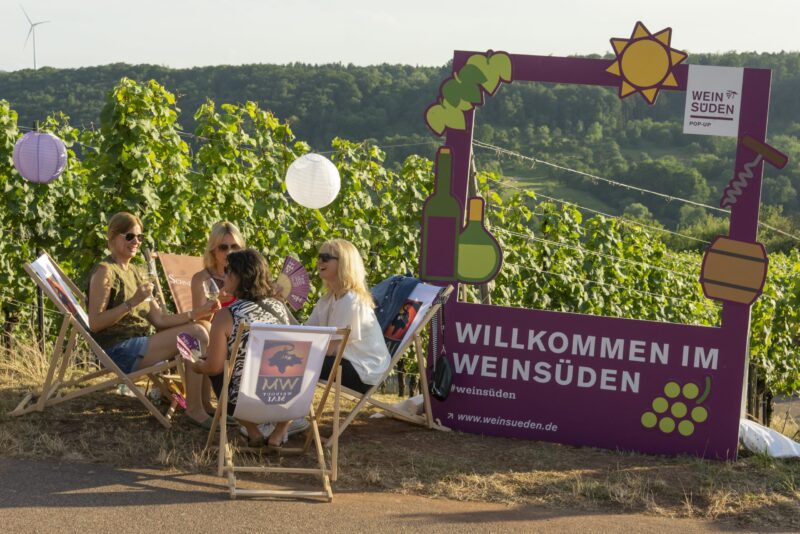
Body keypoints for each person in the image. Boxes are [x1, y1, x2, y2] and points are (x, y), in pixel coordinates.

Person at [87, 212, 220, 427]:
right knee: (194, 334)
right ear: (112, 236)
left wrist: (199, 313)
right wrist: (132, 302)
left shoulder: (137, 273)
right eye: (130, 236)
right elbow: (95, 323)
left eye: (140, 237)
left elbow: (159, 320)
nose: (136, 242)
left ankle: (205, 404)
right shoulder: (105, 271)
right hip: (118, 350)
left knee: (203, 326)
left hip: (140, 344)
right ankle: (194, 409)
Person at [190, 248, 293, 448]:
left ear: (239, 276)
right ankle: (279, 432)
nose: (224, 274)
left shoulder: (227, 315)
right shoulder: (280, 308)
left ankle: (253, 432)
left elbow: (214, 367)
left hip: (243, 403)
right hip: (285, 398)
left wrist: (197, 365)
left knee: (220, 370)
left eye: (228, 270)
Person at [306, 239, 390, 394]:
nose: (319, 261)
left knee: (300, 363)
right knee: (297, 360)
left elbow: (329, 349)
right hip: (345, 363)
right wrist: (281, 305)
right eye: (319, 257)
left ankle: (288, 413)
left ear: (344, 264)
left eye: (325, 257)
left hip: (364, 372)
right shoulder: (329, 299)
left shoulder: (350, 301)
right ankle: (288, 413)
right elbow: (303, 332)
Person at [191, 221, 244, 311]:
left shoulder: (247, 276)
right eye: (223, 247)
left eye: (234, 247)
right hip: (214, 324)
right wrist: (216, 302)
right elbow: (199, 321)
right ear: (213, 250)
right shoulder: (201, 279)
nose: (229, 252)